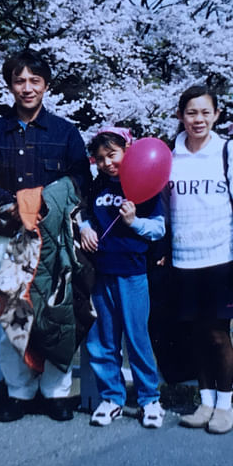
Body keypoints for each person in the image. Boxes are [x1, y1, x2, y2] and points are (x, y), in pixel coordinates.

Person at [0, 49, 91, 423]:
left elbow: (81, 179)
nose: (27, 88)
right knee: (14, 312)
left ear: (46, 86)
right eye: (20, 81)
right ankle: (19, 391)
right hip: (8, 236)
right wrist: (10, 204)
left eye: (34, 81)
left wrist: (44, 205)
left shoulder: (65, 133)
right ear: (10, 85)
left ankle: (56, 391)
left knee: (55, 310)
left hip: (53, 239)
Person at [167, 85, 233, 435]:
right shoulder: (170, 155)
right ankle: (204, 402)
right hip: (182, 259)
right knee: (194, 333)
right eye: (191, 113)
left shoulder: (228, 151)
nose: (198, 119)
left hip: (221, 257)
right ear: (180, 116)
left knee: (218, 334)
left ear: (216, 115)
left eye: (206, 112)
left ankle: (225, 406)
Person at [79, 127, 167, 428]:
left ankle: (149, 399)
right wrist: (85, 228)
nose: (107, 163)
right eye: (100, 158)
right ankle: (111, 398)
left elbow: (158, 228)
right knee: (103, 339)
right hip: (101, 272)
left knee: (137, 337)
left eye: (112, 155)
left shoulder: (144, 183)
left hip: (132, 272)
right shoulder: (98, 185)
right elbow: (86, 215)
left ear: (127, 151)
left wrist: (134, 222)